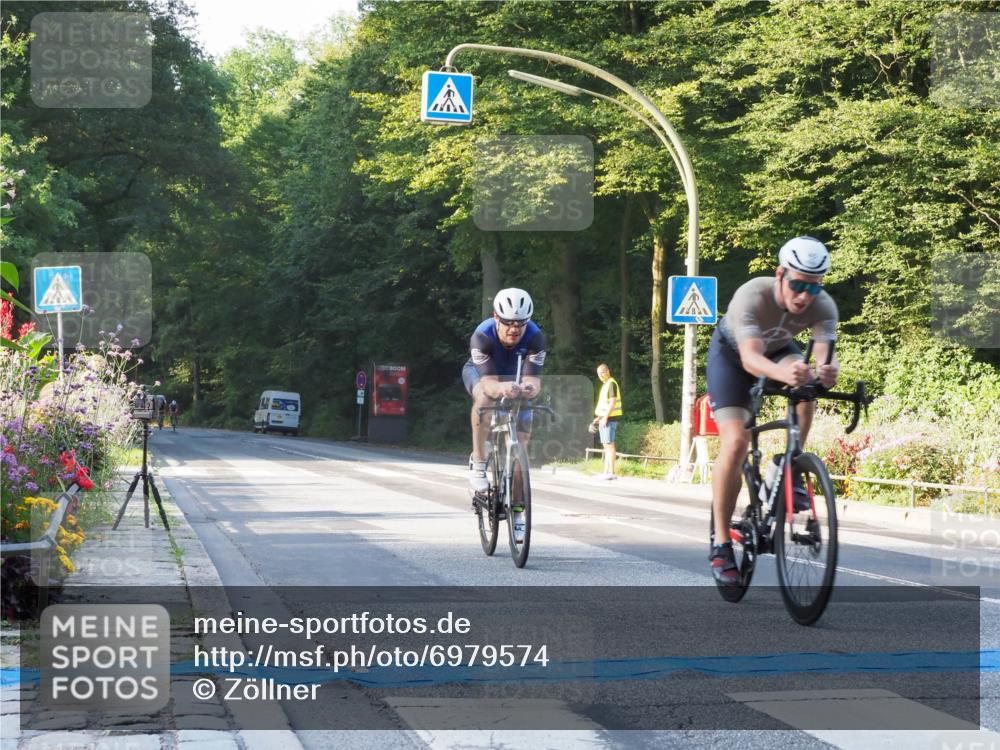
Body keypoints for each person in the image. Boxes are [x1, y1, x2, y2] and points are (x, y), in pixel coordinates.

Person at [707, 236, 840, 586]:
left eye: (813, 287)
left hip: (780, 350)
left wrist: (826, 372)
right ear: (780, 274)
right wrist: (786, 374)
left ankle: (790, 464)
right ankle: (721, 543)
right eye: (797, 284)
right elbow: (751, 360)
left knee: (807, 384)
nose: (804, 295)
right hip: (733, 358)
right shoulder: (753, 295)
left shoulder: (823, 306)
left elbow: (825, 355)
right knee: (736, 442)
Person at [463, 288, 546, 509]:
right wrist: (502, 388)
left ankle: (518, 508)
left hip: (515, 376)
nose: (515, 328)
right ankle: (479, 460)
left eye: (521, 323)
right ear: (496, 317)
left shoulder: (536, 337)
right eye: (509, 322)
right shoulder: (482, 336)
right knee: (484, 398)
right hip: (483, 374)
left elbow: (535, 380)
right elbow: (490, 384)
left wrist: (529, 388)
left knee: (521, 442)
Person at [591, 363, 622, 480]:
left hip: (610, 419)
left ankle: (611, 472)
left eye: (602, 372)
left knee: (610, 445)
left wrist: (605, 418)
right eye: (599, 373)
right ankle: (606, 471)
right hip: (605, 419)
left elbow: (613, 402)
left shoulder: (611, 384)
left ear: (608, 371)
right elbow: (605, 404)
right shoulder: (605, 385)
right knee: (606, 446)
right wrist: (599, 417)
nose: (601, 375)